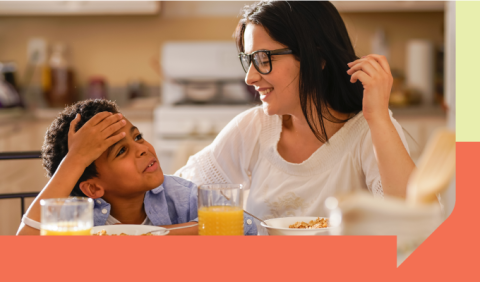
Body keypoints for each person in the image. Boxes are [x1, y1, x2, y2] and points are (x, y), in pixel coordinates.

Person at [175, 1, 415, 234]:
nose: (250, 78)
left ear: (317, 58)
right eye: (248, 60)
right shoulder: (253, 127)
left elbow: (412, 223)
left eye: (262, 59)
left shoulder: (370, 131)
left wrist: (379, 117)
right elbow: (179, 196)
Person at [16, 99, 257, 235]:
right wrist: (76, 159)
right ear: (93, 188)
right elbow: (20, 259)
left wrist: (155, 237)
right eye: (121, 151)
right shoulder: (76, 222)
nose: (142, 149)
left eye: (138, 136)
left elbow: (246, 228)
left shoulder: (180, 196)